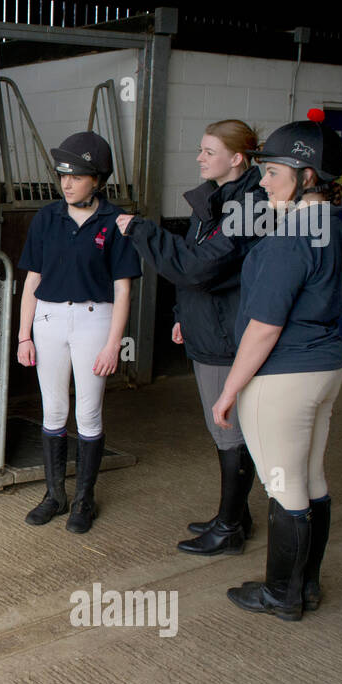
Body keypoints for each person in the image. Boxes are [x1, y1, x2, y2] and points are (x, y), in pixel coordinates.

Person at [209, 111, 342, 621]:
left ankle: (281, 595)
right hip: (327, 366)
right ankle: (307, 586)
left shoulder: (288, 234)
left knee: (283, 483)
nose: (265, 180)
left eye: (274, 171)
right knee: (311, 477)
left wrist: (229, 390)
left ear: (307, 176)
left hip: (285, 373)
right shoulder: (336, 230)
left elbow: (264, 326)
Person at [115, 120, 269, 556]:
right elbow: (195, 260)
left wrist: (141, 231)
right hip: (207, 325)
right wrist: (182, 312)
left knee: (229, 433)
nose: (199, 158)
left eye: (207, 151)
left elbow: (200, 266)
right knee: (222, 428)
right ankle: (236, 513)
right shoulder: (218, 200)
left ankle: (229, 529)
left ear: (236, 158)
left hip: (227, 335)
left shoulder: (249, 206)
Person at [17, 132, 142, 534]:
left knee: (88, 411)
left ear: (98, 180)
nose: (67, 183)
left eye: (78, 176)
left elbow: (123, 289)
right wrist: (24, 335)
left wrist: (113, 345)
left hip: (95, 319)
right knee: (53, 409)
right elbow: (32, 280)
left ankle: (84, 501)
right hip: (49, 319)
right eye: (62, 176)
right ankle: (55, 495)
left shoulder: (115, 221)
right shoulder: (46, 218)